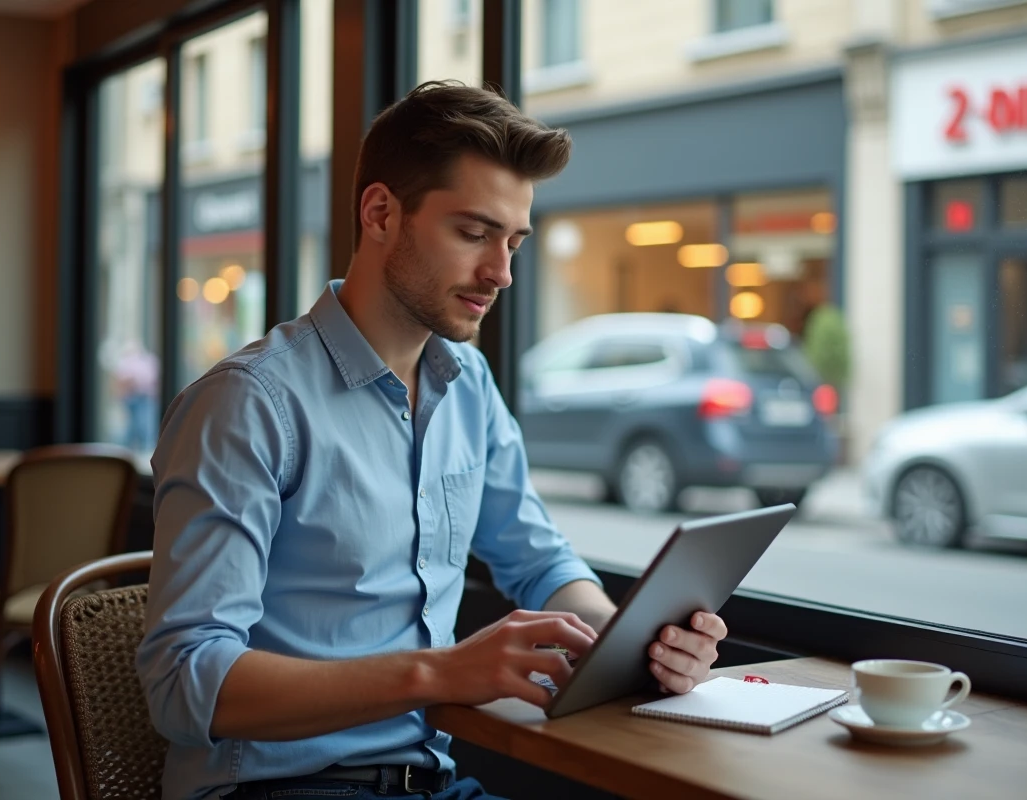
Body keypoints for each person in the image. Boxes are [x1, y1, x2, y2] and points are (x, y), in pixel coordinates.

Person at [136, 81, 729, 800]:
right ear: (381, 212)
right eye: (474, 233)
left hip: (430, 782)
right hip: (276, 788)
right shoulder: (247, 403)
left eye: (513, 242)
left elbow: (538, 561)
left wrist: (633, 643)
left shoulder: (468, 386)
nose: (501, 273)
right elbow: (184, 682)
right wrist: (443, 672)